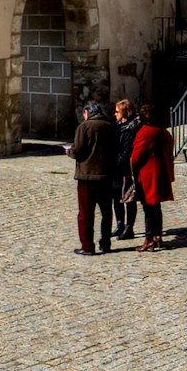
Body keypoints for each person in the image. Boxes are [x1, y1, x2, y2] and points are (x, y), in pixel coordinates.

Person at [68, 97, 122, 255]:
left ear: (87, 112)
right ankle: (106, 243)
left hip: (87, 176)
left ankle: (87, 246)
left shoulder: (84, 127)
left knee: (86, 212)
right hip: (106, 176)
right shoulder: (112, 126)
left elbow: (78, 150)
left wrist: (68, 151)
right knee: (106, 212)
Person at [124, 102, 176, 250]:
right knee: (156, 207)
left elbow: (135, 157)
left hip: (149, 175)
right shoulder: (164, 132)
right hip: (162, 173)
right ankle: (158, 236)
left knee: (148, 207)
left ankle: (149, 239)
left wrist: (129, 171)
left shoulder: (146, 132)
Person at [108, 96, 145, 242]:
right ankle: (119, 224)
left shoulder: (132, 129)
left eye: (117, 111)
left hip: (127, 169)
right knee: (116, 197)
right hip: (116, 169)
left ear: (125, 112)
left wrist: (117, 161)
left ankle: (129, 227)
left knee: (129, 198)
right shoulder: (118, 127)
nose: (115, 114)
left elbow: (128, 150)